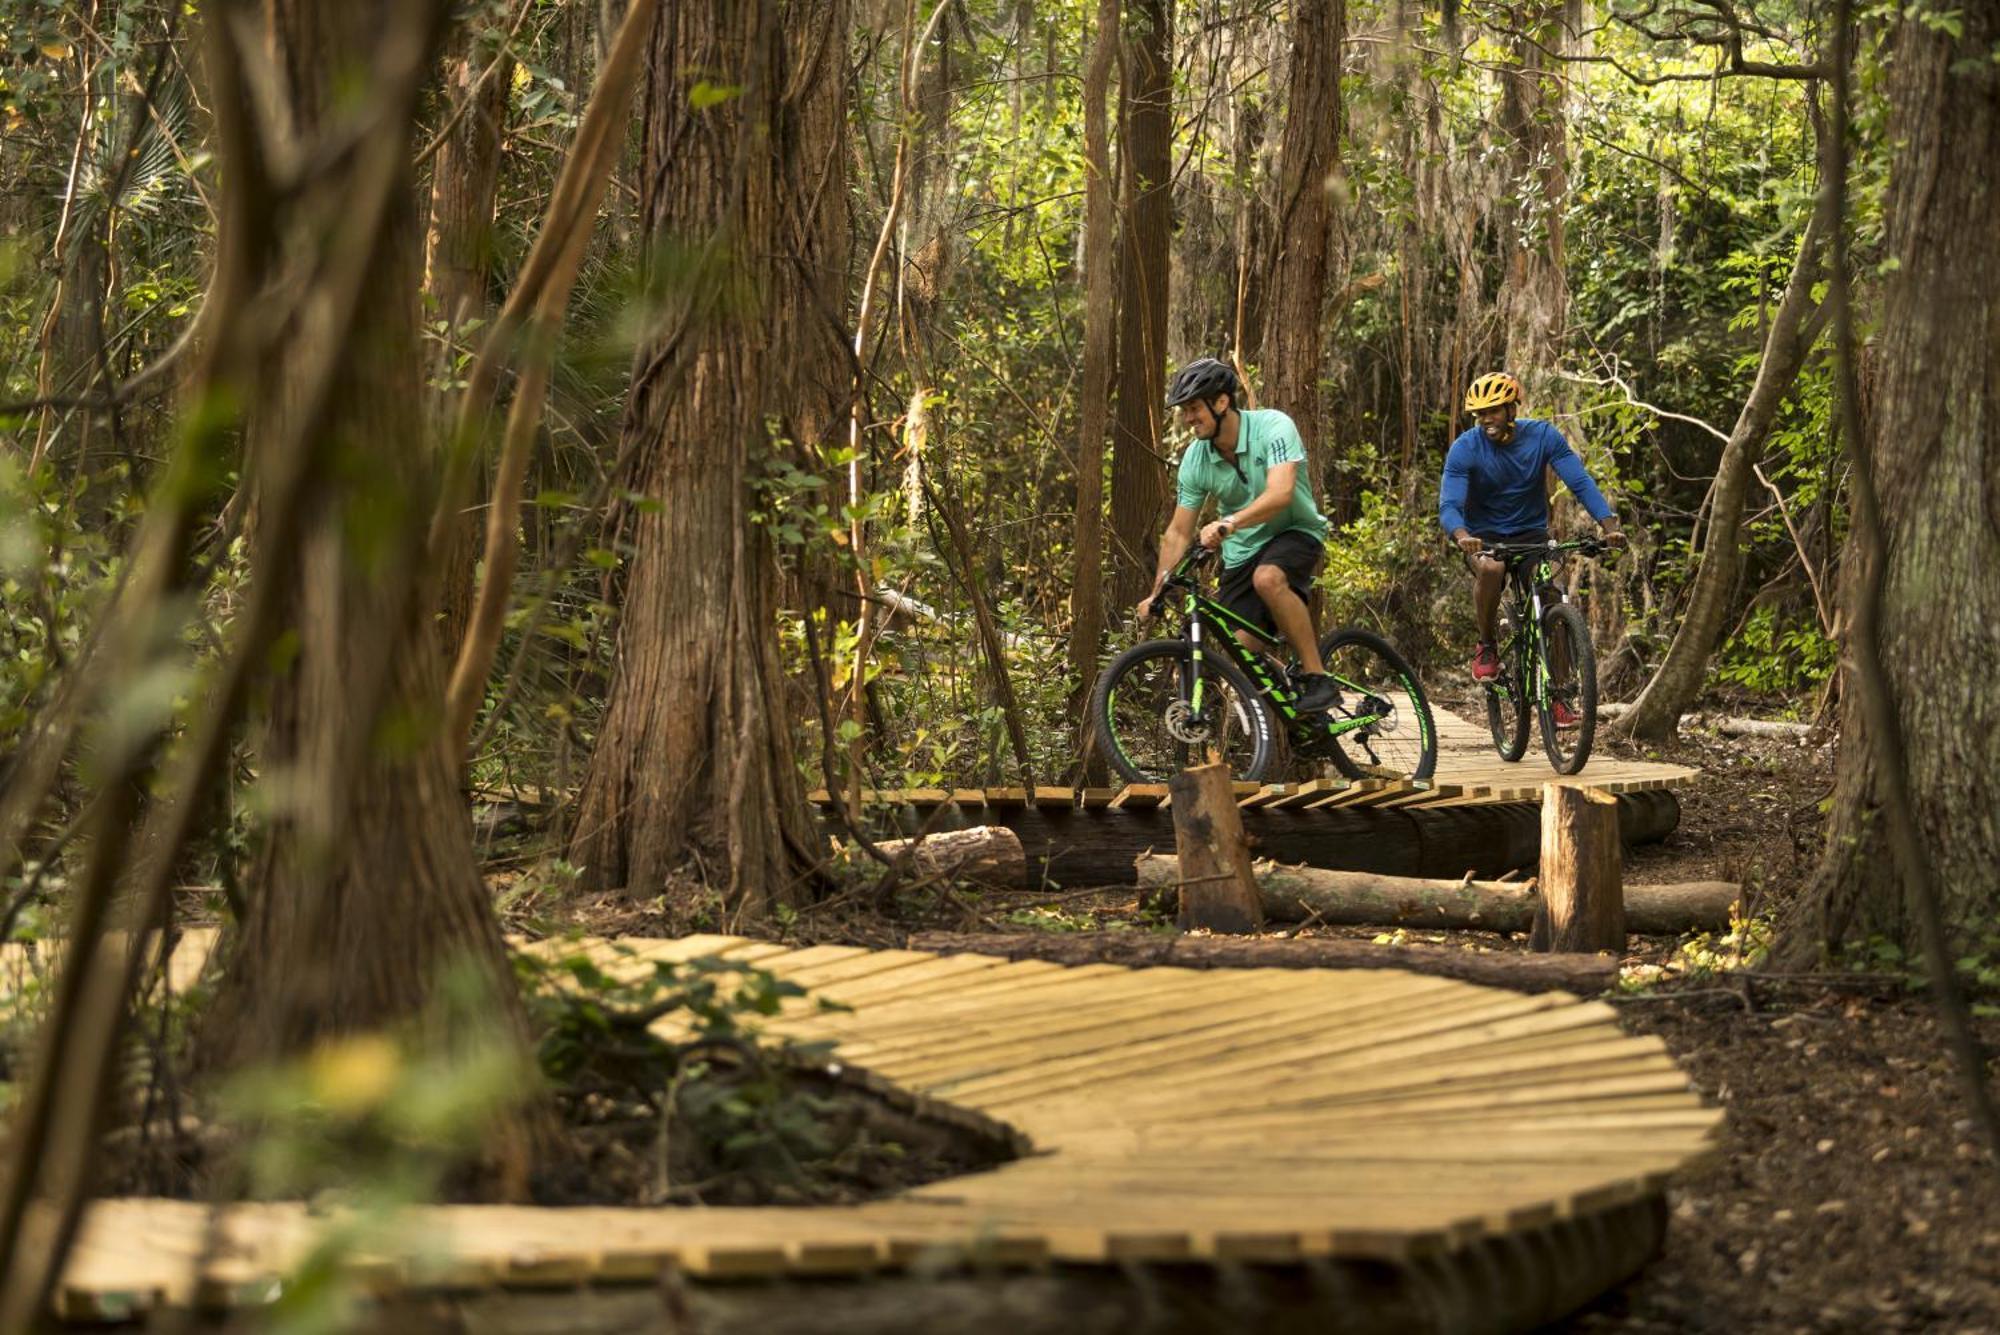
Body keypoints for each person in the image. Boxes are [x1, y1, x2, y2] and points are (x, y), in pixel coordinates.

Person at [1136, 357, 1339, 714]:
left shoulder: (1274, 426)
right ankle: (1297, 711)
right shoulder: (1196, 460)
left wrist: (1229, 524)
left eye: (1195, 408)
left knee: (1269, 577)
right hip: (1242, 553)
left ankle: (1317, 676)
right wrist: (1156, 593)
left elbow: (1281, 494)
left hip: (1294, 530)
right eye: (1185, 411)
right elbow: (1178, 532)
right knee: (1239, 653)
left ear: (1221, 402)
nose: (1188, 419)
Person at [1439, 371, 1626, 722]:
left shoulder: (1542, 436)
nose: (1486, 420)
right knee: (1491, 570)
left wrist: (1609, 525)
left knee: (1552, 602)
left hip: (1532, 536)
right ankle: (1487, 646)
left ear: (1511, 408)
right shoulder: (1466, 447)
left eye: (1493, 410)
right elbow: (1449, 505)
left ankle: (1556, 696)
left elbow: (1579, 482)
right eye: (1480, 414)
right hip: (1485, 538)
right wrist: (1463, 536)